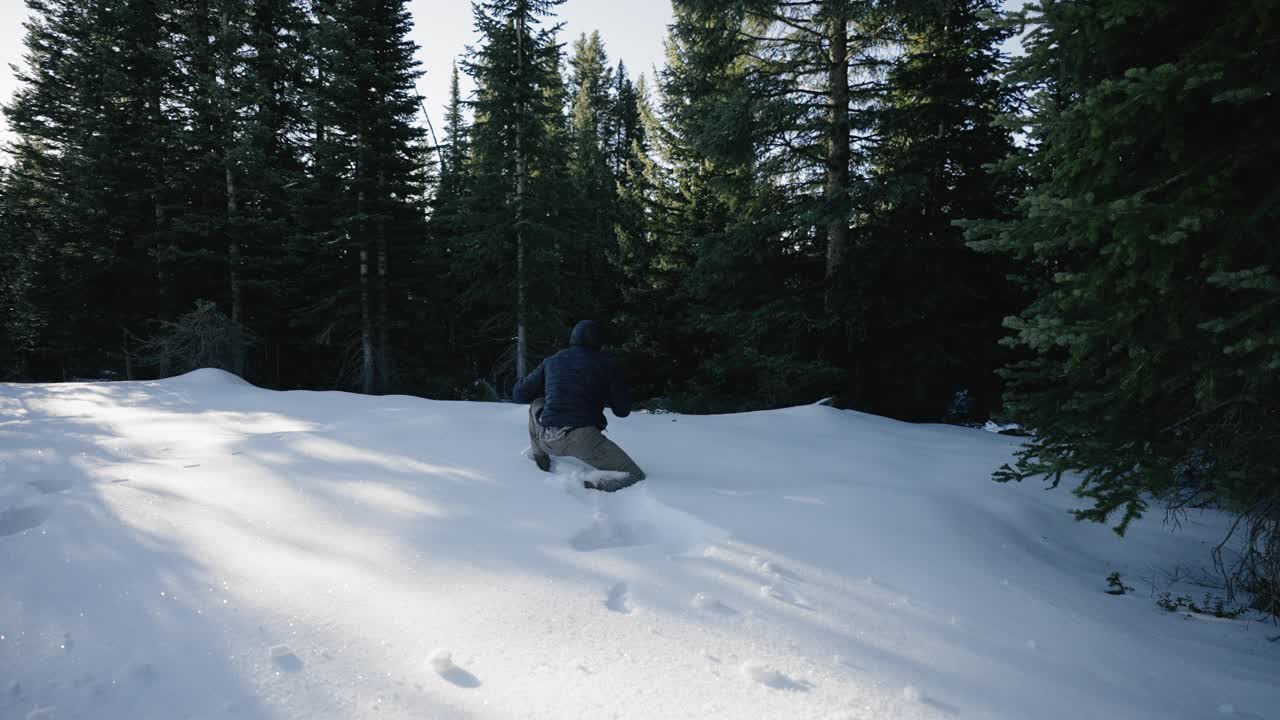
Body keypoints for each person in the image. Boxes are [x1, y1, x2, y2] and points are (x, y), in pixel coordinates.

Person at [512, 320, 645, 492]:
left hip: (547, 437)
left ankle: (540, 460)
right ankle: (591, 485)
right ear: (599, 341)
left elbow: (519, 394)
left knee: (537, 404)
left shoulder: (552, 361)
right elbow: (622, 411)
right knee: (634, 474)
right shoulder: (606, 364)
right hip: (582, 440)